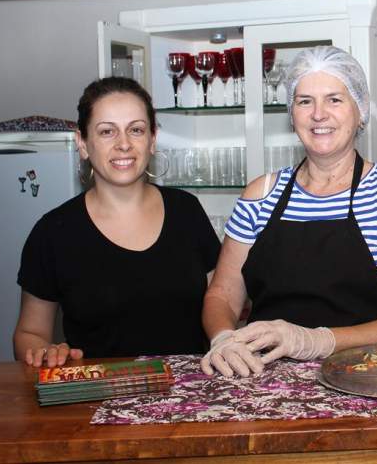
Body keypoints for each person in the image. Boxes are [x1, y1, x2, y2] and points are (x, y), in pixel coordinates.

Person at [201, 46, 377, 377]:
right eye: (304, 101)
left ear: (360, 110)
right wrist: (224, 337)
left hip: (368, 381)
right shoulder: (260, 195)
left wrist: (317, 341)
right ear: (291, 113)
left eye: (334, 99)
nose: (318, 114)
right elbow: (224, 295)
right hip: (263, 382)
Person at [13, 77, 221, 367]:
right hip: (96, 400)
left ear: (152, 140)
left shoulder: (186, 211)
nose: (124, 144)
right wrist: (43, 351)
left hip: (188, 397)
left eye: (136, 130)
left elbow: (223, 300)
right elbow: (29, 332)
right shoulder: (53, 232)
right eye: (107, 132)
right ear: (82, 143)